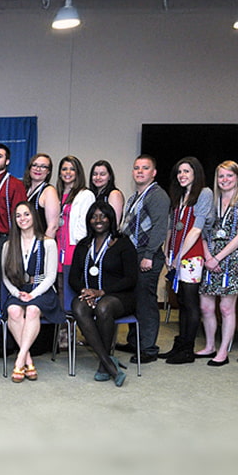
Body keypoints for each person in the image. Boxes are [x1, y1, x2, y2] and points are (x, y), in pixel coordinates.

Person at [68, 202, 139, 387]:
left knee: (104, 306)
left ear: (111, 219)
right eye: (94, 216)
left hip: (119, 297)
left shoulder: (123, 243)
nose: (98, 220)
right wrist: (85, 291)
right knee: (77, 305)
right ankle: (108, 362)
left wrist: (102, 292)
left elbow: (131, 278)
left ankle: (103, 364)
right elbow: (73, 278)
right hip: (91, 295)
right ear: (89, 220)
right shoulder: (83, 245)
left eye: (103, 216)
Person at [197, 161, 238, 367]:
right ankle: (210, 345)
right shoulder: (212, 201)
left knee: (226, 307)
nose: (225, 180)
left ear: (237, 178)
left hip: (232, 260)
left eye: (229, 176)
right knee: (205, 306)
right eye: (221, 176)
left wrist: (218, 258)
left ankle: (223, 351)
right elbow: (202, 231)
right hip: (209, 258)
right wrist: (208, 256)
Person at [2, 201, 63, 382]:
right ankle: (27, 359)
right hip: (19, 291)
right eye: (18, 215)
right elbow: (5, 277)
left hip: (42, 291)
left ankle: (19, 360)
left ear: (34, 216)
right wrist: (16, 293)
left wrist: (33, 295)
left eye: (26, 214)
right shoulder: (8, 246)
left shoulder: (48, 243)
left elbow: (51, 276)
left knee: (32, 310)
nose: (23, 218)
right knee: (13, 310)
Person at [159, 157, 212, 364]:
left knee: (190, 302)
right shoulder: (179, 196)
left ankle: (188, 350)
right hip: (176, 255)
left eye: (187, 172)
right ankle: (179, 344)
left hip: (192, 255)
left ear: (196, 174)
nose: (182, 175)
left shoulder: (204, 194)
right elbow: (172, 227)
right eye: (179, 172)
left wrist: (180, 255)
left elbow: (196, 228)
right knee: (181, 300)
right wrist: (168, 251)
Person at [118, 154, 171, 363]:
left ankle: (148, 348)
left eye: (145, 168)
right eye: (137, 168)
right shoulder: (134, 197)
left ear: (154, 172)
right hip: (133, 255)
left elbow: (159, 228)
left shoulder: (157, 195)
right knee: (134, 299)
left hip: (146, 254)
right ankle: (135, 342)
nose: (140, 171)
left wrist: (149, 255)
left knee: (146, 302)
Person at [55, 155, 95, 313]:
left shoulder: (85, 195)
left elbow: (85, 228)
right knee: (59, 291)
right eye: (64, 169)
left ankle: (71, 334)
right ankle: (61, 334)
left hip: (73, 248)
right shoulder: (56, 194)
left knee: (70, 293)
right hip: (57, 248)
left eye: (72, 169)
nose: (68, 172)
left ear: (78, 172)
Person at [0, 143, 28, 284]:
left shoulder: (15, 184)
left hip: (6, 239)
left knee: (5, 279)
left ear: (7, 161)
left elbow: (22, 216)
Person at [23, 152, 61, 238]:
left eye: (43, 166)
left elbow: (53, 226)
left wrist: (43, 248)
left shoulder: (49, 191)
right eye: (35, 165)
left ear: (48, 171)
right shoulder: (25, 190)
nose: (38, 169)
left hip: (40, 243)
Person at [89, 160, 125, 228]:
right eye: (95, 174)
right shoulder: (92, 195)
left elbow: (114, 223)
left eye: (102, 174)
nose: (98, 177)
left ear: (109, 177)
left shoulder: (114, 194)